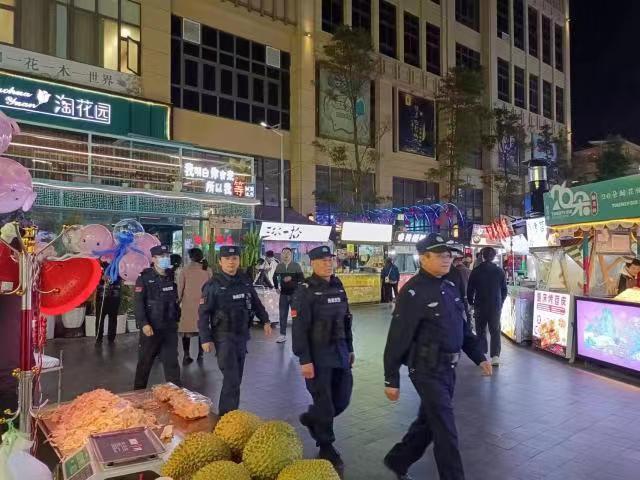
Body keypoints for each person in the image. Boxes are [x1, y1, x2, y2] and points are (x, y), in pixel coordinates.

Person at [383, 233, 492, 480]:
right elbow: (397, 338)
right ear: (423, 258)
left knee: (428, 423)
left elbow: (462, 328)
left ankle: (398, 460)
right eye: (440, 255)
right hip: (425, 369)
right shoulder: (412, 292)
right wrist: (391, 378)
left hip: (448, 369)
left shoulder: (450, 287)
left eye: (448, 255)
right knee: (445, 429)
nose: (447, 259)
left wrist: (479, 356)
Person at [292, 245, 355, 469]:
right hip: (318, 356)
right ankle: (326, 445)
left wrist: (350, 348)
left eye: (331, 260)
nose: (328, 264)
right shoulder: (305, 290)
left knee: (343, 398)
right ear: (312, 264)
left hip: (340, 351)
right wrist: (304, 359)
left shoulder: (338, 286)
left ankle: (313, 418)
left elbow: (346, 320)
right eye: (323, 261)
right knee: (325, 402)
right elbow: (299, 328)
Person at [199, 245, 272, 416]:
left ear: (239, 261)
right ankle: (226, 417)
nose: (231, 262)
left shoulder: (245, 281)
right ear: (220, 262)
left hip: (242, 335)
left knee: (236, 378)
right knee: (231, 378)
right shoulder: (213, 285)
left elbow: (255, 302)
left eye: (234, 259)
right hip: (223, 337)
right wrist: (205, 338)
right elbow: (203, 314)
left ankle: (232, 414)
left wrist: (265, 320)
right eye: (227, 259)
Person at [133, 245, 181, 390]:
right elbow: (138, 303)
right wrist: (144, 323)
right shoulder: (144, 278)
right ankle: (138, 394)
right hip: (151, 328)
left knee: (172, 363)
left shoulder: (171, 276)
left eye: (167, 256)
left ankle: (176, 395)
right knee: (145, 363)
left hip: (169, 328)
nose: (165, 259)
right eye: (161, 256)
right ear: (153, 259)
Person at [467, 247, 508, 367]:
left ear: (482, 256)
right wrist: (500, 302)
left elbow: (470, 289)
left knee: (480, 330)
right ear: (494, 257)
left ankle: (482, 353)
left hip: (480, 304)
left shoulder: (476, 271)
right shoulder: (500, 271)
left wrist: (471, 302)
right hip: (495, 305)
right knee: (495, 330)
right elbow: (504, 290)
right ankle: (495, 357)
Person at [176, 248, 211, 365]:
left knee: (186, 331)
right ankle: (200, 354)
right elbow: (212, 288)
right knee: (202, 329)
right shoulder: (207, 270)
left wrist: (177, 301)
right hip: (204, 305)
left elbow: (180, 289)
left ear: (190, 257)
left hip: (188, 305)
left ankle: (186, 355)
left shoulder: (185, 270)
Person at [273, 247, 304, 343]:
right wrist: (276, 287)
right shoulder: (279, 266)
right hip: (283, 295)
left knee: (295, 314)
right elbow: (274, 277)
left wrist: (291, 278)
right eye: (284, 253)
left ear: (291, 255)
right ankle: (282, 335)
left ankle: (297, 334)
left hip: (294, 296)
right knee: (283, 315)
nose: (286, 255)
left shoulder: (296, 266)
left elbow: (302, 279)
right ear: (281, 255)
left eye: (288, 253)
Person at [95, 262, 122, 345]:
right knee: (100, 318)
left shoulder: (118, 264)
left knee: (113, 318)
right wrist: (101, 277)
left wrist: (113, 278)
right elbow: (94, 278)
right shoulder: (99, 265)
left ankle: (111, 338)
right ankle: (98, 338)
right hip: (101, 297)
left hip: (114, 296)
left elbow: (122, 276)